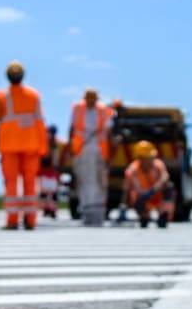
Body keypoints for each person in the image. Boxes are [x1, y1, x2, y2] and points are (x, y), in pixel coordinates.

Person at [0, 60, 47, 230]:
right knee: (30, 183)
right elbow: (40, 122)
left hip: (10, 146)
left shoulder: (2, 96)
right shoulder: (34, 95)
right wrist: (43, 147)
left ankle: (12, 220)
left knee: (11, 183)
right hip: (31, 145)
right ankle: (30, 220)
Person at [67, 88, 114, 226]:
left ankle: (98, 216)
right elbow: (71, 129)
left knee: (99, 183)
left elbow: (109, 132)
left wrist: (110, 155)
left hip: (99, 151)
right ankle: (87, 213)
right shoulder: (77, 108)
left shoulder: (103, 110)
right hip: (82, 151)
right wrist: (71, 150)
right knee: (84, 182)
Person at [124, 140, 175, 228]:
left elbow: (165, 177)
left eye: (151, 156)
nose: (151, 159)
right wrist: (144, 194)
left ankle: (163, 214)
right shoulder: (133, 170)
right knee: (136, 198)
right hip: (142, 197)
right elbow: (134, 187)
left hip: (156, 195)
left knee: (169, 187)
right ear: (140, 158)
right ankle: (144, 216)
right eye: (148, 157)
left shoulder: (157, 164)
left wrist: (153, 190)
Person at [38, 125, 64, 219]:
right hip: (47, 171)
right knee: (47, 192)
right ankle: (47, 209)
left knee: (51, 192)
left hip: (52, 171)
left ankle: (51, 210)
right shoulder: (48, 143)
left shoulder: (56, 144)